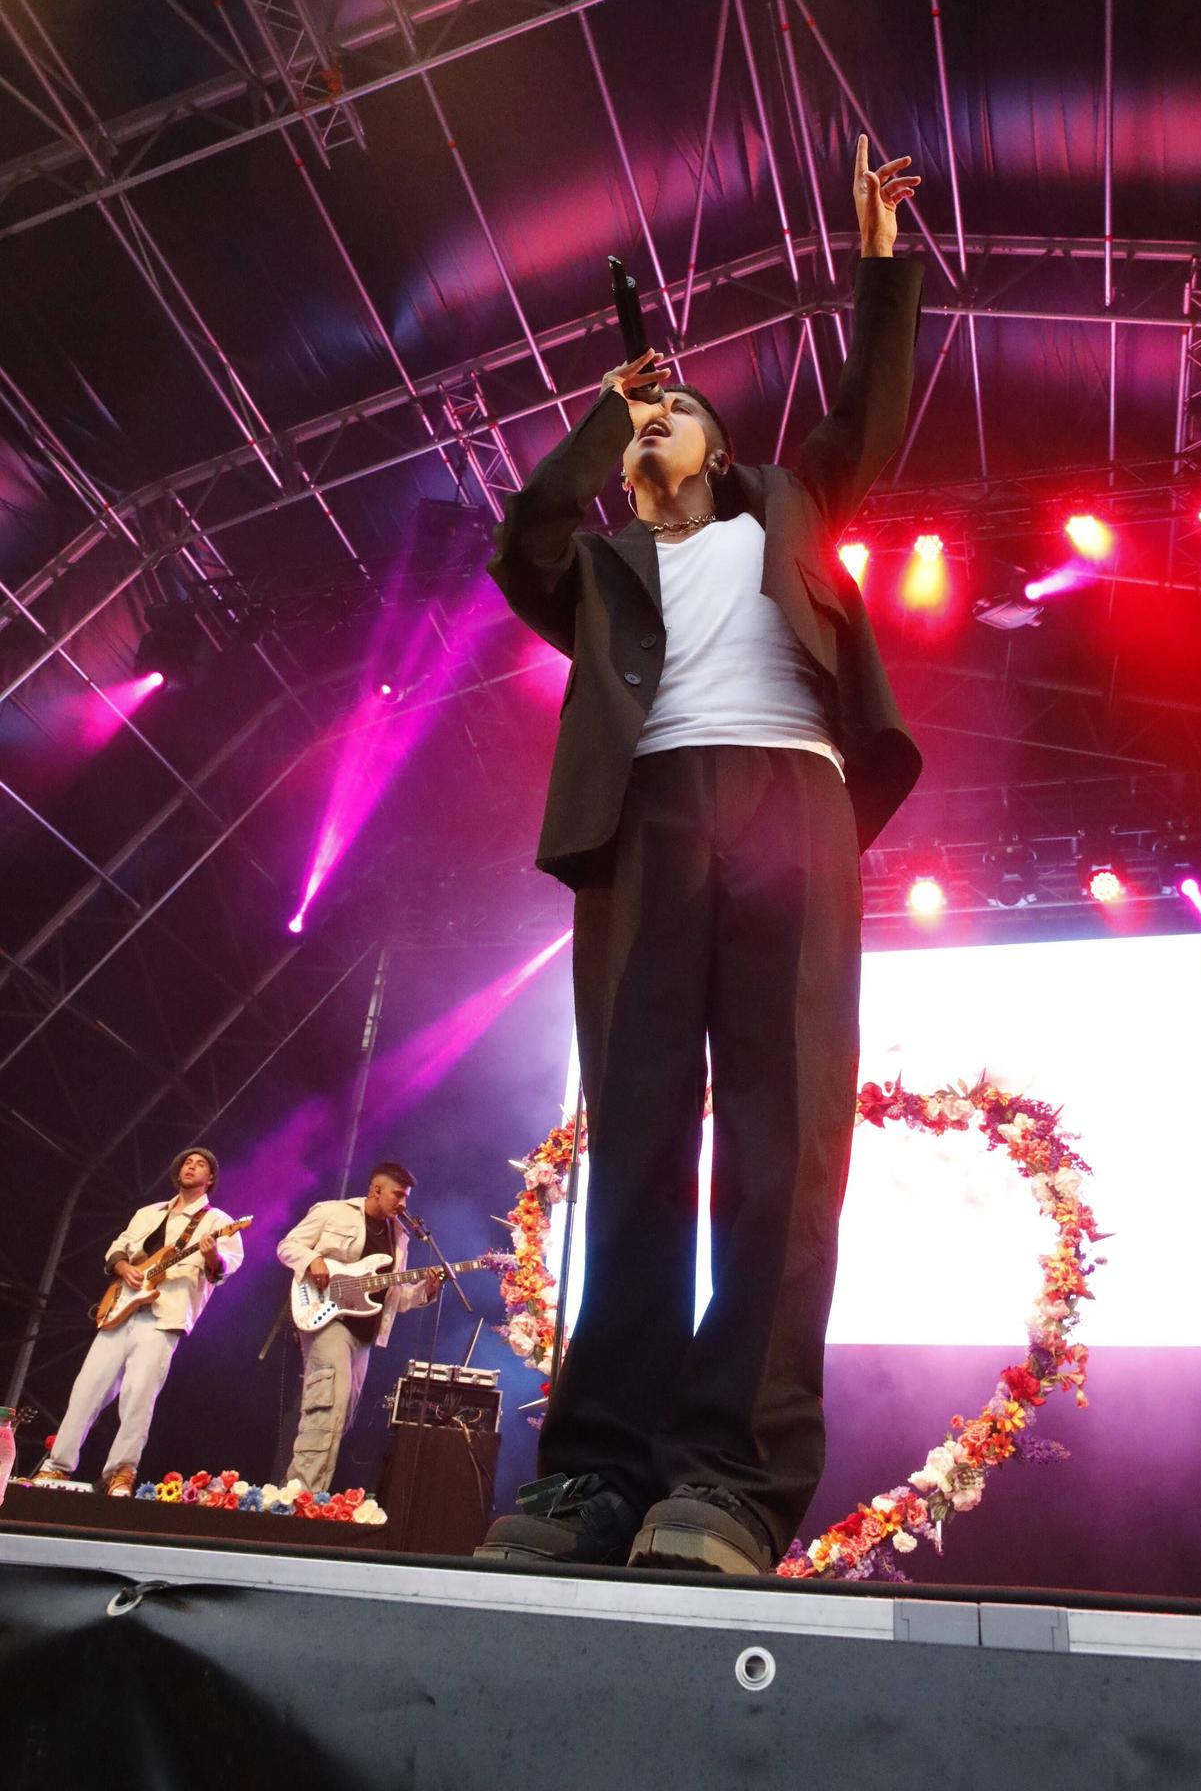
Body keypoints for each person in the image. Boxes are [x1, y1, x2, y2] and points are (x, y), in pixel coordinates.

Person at [478, 139, 926, 1575]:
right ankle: (597, 1473)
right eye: (644, 415)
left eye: (676, 410)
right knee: (642, 1144)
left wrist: (880, 264)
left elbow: (869, 410)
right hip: (646, 823)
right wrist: (603, 422)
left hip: (790, 803)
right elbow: (522, 540)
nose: (658, 418)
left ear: (722, 448)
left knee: (783, 1146)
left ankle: (727, 1480)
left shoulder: (789, 504)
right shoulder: (603, 569)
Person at [30, 1146, 244, 1497]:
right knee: (87, 1390)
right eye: (187, 1162)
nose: (191, 1167)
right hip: (121, 1309)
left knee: (138, 1395)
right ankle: (57, 1465)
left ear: (210, 1179)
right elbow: (119, 1246)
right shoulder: (148, 1212)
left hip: (163, 1316)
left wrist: (212, 1255)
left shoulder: (218, 1221)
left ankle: (120, 1473)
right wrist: (123, 1267)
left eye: (200, 1164)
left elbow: (225, 1269)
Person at [278, 1161, 443, 1493]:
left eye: (407, 1197)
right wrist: (313, 1260)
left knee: (343, 1414)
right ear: (376, 1189)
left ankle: (307, 1493)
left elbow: (397, 1298)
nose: (403, 1204)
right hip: (329, 1320)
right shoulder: (333, 1212)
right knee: (327, 1404)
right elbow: (287, 1246)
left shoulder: (400, 1238)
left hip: (366, 1335)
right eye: (398, 1195)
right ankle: (298, 1497)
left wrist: (427, 1289)